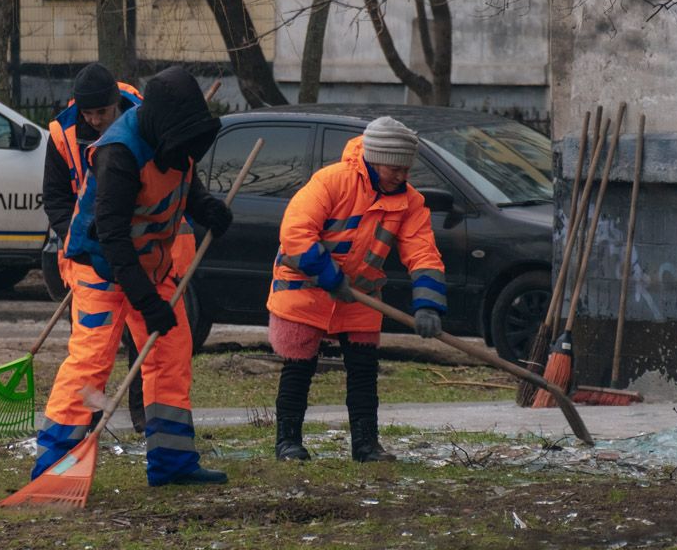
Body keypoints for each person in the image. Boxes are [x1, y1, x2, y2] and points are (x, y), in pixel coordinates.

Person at [33, 65, 231, 486]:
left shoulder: (176, 136)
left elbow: (182, 184)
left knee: (170, 357)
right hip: (100, 269)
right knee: (90, 361)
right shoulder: (118, 154)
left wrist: (206, 208)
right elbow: (112, 238)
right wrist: (146, 301)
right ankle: (53, 469)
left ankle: (171, 463)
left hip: (152, 267)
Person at [266, 116, 446, 463]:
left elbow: (423, 252)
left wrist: (429, 305)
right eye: (395, 168)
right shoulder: (332, 181)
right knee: (299, 368)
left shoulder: (411, 203)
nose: (402, 176)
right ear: (375, 158)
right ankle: (288, 443)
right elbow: (296, 232)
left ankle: (366, 445)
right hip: (305, 287)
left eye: (406, 168)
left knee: (363, 371)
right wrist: (330, 276)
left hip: (360, 295)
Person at [43, 62, 194, 435]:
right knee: (92, 349)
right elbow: (56, 197)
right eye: (89, 113)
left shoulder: (144, 120)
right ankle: (79, 427)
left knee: (157, 345)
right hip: (94, 254)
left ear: (117, 103)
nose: (96, 120)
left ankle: (152, 426)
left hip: (149, 252)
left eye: (103, 112)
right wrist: (76, 235)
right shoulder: (62, 135)